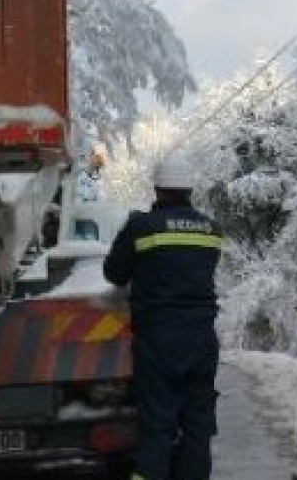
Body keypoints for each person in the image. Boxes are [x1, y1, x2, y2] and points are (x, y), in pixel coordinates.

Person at [103, 156, 224, 480]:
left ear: (157, 189)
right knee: (198, 429)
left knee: (157, 427)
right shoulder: (212, 230)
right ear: (189, 189)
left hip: (158, 340)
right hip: (201, 340)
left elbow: (114, 273)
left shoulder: (141, 226)